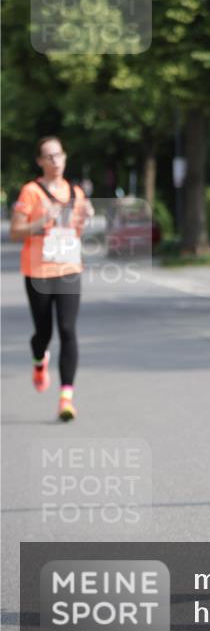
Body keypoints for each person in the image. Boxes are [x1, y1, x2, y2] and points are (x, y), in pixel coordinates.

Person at [10, 136, 93, 421]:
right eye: (49, 156)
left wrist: (85, 218)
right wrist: (40, 222)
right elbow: (16, 232)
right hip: (39, 272)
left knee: (68, 331)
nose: (55, 161)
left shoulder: (76, 192)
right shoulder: (30, 192)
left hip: (69, 269)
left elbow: (77, 230)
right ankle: (38, 361)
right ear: (40, 162)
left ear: (65, 157)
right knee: (43, 334)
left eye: (59, 155)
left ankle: (66, 398)